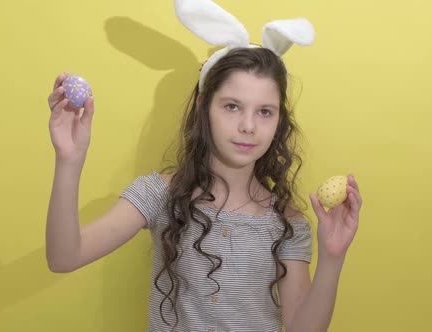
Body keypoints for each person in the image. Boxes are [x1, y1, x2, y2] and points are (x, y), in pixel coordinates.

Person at [46, 4, 361, 332]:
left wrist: (332, 256)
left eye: (265, 112)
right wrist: (69, 160)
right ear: (202, 105)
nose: (248, 126)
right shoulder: (159, 194)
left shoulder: (287, 222)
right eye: (232, 106)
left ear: (279, 120)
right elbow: (64, 257)